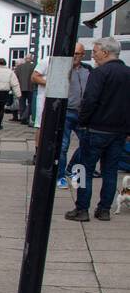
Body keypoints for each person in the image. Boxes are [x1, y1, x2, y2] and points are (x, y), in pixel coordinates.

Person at [66, 36, 130, 222]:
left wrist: (83, 121)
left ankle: (82, 209)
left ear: (105, 52)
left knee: (85, 169)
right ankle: (104, 210)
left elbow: (90, 100)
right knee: (110, 171)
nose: (93, 56)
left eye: (94, 52)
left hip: (95, 129)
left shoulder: (100, 73)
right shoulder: (127, 73)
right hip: (118, 131)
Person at [57, 43, 91, 187]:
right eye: (73, 53)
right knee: (63, 145)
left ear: (83, 55)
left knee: (86, 143)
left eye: (78, 54)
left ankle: (72, 169)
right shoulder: (63, 69)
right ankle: (60, 176)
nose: (75, 57)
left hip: (83, 113)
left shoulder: (88, 70)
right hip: (66, 111)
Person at [0, 57, 21, 131]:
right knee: (1, 109)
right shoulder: (10, 72)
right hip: (4, 92)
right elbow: (15, 84)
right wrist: (18, 95)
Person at [14, 54, 36, 123]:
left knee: (22, 103)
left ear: (25, 59)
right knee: (31, 103)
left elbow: (15, 78)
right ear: (31, 59)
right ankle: (25, 116)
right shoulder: (34, 66)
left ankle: (22, 117)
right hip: (31, 87)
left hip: (21, 87)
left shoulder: (19, 67)